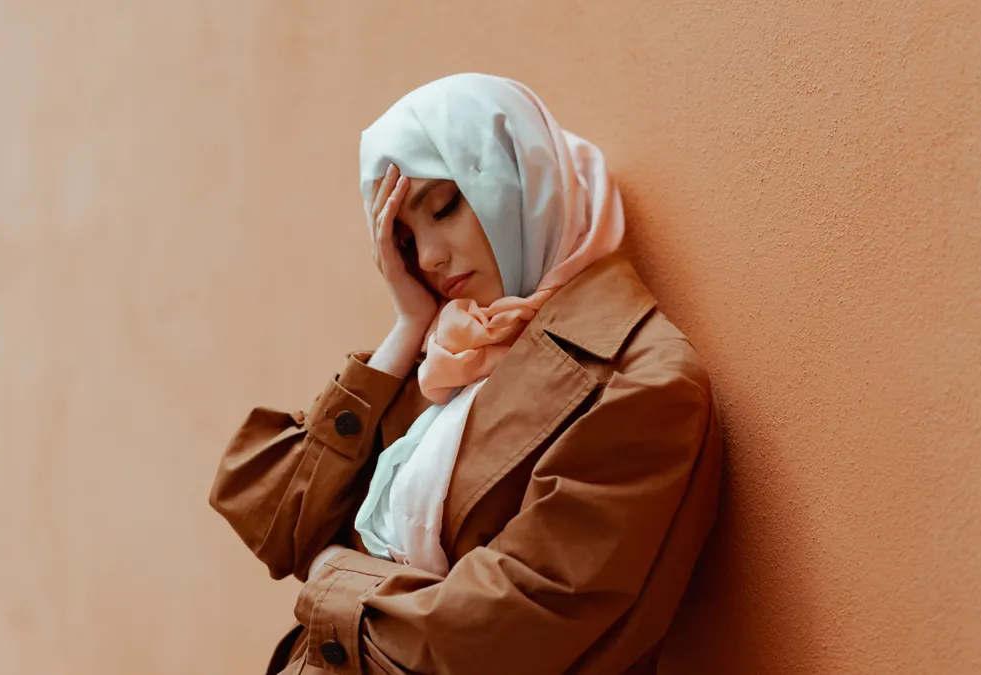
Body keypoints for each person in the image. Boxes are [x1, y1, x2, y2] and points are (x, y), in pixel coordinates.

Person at [209, 72, 723, 675]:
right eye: (405, 238)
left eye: (444, 207)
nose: (428, 257)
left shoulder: (644, 383)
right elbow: (284, 525)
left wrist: (332, 580)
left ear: (521, 181)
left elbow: (510, 623)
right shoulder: (449, 359)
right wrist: (405, 332)